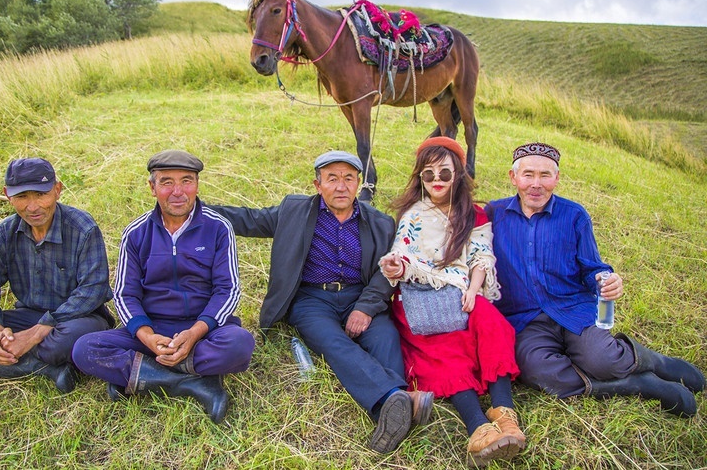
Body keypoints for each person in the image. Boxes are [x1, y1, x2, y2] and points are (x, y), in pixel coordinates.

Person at [208, 151, 433, 453]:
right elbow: (250, 220)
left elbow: (385, 273)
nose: (341, 186)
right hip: (313, 300)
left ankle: (391, 407)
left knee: (385, 336)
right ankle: (398, 398)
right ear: (318, 184)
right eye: (332, 179)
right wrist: (199, 210)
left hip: (359, 294)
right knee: (332, 342)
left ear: (358, 184)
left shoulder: (380, 222)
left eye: (348, 179)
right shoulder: (294, 211)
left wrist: (365, 309)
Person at [486, 142, 705, 417]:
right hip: (525, 319)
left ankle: (654, 361)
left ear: (557, 179)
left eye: (545, 175)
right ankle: (638, 384)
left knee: (602, 360)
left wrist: (606, 278)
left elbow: (592, 268)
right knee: (538, 373)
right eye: (528, 174)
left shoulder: (574, 215)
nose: (536, 184)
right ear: (513, 177)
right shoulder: (494, 215)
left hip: (573, 308)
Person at [72, 150, 255, 424]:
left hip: (202, 330)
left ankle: (142, 375)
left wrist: (195, 332)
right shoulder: (135, 232)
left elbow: (227, 291)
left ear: (197, 185)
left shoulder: (218, 228)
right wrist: (146, 336)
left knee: (240, 344)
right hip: (152, 331)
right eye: (167, 182)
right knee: (84, 349)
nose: (178, 191)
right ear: (152, 187)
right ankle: (194, 384)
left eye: (187, 181)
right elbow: (125, 294)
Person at [379, 137, 525, 467]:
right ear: (420, 178)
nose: (437, 181)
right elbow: (404, 255)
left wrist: (473, 291)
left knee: (493, 325)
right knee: (444, 349)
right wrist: (396, 266)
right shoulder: (413, 214)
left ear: (458, 174)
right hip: (420, 296)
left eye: (444, 172)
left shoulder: (473, 214)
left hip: (461, 289)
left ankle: (504, 412)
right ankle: (478, 429)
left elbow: (480, 255)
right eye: (428, 174)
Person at [0, 157, 113, 393]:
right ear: (8, 196)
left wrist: (33, 335)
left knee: (71, 340)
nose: (33, 206)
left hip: (75, 319)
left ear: (57, 190)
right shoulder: (7, 231)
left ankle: (1, 364)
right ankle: (49, 370)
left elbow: (93, 290)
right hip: (27, 316)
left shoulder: (82, 227)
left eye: (41, 194)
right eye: (21, 197)